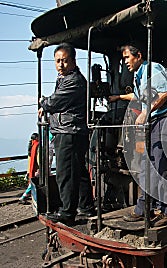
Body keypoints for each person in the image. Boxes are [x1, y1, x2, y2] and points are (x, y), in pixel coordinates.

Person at [108, 43, 167, 227]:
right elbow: (137, 96)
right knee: (147, 165)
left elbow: (166, 92)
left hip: (164, 120)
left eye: (126, 58)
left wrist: (146, 111)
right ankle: (143, 208)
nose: (125, 63)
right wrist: (117, 98)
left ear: (138, 55)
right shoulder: (138, 76)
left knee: (163, 167)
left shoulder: (153, 68)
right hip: (152, 123)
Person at [38, 43, 94, 224]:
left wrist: (43, 103)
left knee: (66, 173)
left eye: (64, 61)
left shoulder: (73, 81)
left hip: (69, 130)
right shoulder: (65, 79)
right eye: (57, 61)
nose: (60, 65)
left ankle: (67, 213)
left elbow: (55, 102)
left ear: (72, 61)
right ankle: (85, 207)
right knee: (78, 171)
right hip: (72, 130)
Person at [18, 133, 39, 204]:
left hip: (31, 168)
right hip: (36, 168)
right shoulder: (37, 145)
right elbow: (38, 159)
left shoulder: (31, 146)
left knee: (32, 183)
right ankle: (23, 197)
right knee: (33, 184)